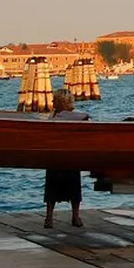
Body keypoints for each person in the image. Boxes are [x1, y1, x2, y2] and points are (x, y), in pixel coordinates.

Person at [44, 88, 89, 229]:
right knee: (66, 187)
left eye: (55, 99)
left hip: (62, 156)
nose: (52, 101)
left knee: (61, 187)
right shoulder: (77, 116)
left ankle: (53, 218)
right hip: (64, 155)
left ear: (62, 102)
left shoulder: (55, 117)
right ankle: (70, 217)